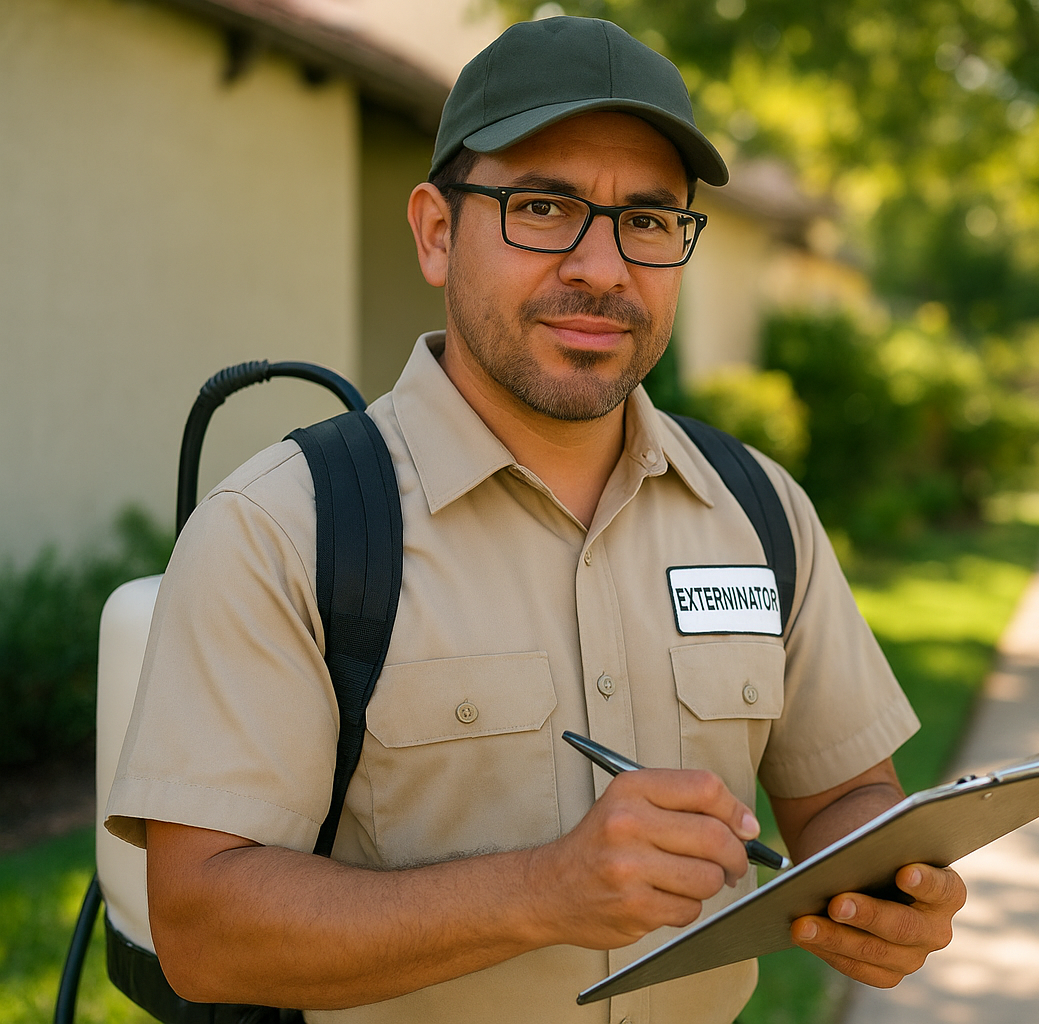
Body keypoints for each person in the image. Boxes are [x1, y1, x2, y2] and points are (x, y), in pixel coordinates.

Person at [106, 15, 965, 1023]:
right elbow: (205, 930)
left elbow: (841, 798)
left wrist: (885, 885)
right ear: (435, 230)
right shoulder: (282, 530)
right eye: (544, 206)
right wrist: (546, 890)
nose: (603, 268)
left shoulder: (761, 511)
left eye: (648, 220)